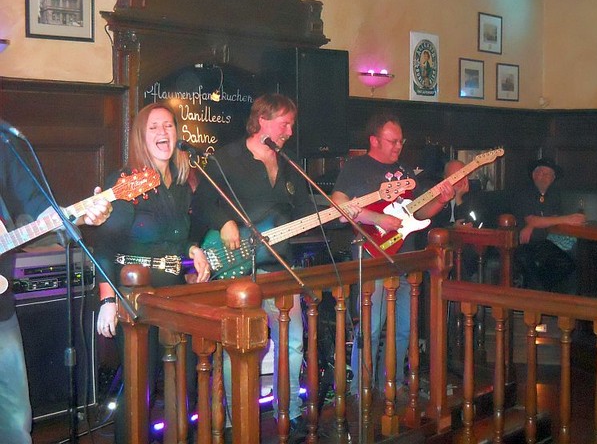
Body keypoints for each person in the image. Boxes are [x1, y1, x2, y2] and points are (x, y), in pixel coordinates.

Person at [190, 93, 343, 441]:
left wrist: (337, 211)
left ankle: (289, 412)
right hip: (237, 268)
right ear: (262, 120)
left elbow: (302, 213)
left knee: (293, 343)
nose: (289, 131)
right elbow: (201, 205)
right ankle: (237, 420)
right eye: (284, 123)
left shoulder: (288, 163)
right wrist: (224, 221)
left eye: (291, 124)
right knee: (239, 348)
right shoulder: (227, 158)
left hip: (280, 267)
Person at [94, 102, 211, 443]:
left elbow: (176, 236)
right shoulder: (126, 181)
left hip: (173, 293)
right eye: (154, 127)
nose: (163, 132)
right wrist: (107, 300)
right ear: (141, 138)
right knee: (139, 388)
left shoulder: (181, 184)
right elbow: (104, 244)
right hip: (135, 296)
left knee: (185, 381)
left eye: (169, 126)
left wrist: (193, 249)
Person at [330, 111, 454, 394]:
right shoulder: (355, 168)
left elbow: (418, 212)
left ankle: (393, 385)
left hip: (405, 258)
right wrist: (377, 219)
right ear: (374, 140)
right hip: (371, 256)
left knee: (404, 329)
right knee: (371, 328)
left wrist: (440, 201)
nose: (399, 146)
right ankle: (360, 390)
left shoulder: (405, 172)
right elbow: (338, 206)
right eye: (392, 141)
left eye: (401, 141)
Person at [0, 138, 112, 444]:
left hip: (1, 311)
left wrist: (77, 216)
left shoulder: (3, 143)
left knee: (14, 418)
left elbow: (37, 203)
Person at [512, 158, 585, 293]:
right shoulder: (523, 192)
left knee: (568, 264)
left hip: (543, 242)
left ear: (553, 178)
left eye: (548, 174)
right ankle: (537, 291)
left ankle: (539, 290)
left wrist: (534, 224)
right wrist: (567, 219)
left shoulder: (554, 194)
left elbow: (553, 218)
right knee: (526, 261)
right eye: (541, 172)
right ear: (534, 175)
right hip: (521, 244)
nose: (544, 177)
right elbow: (531, 219)